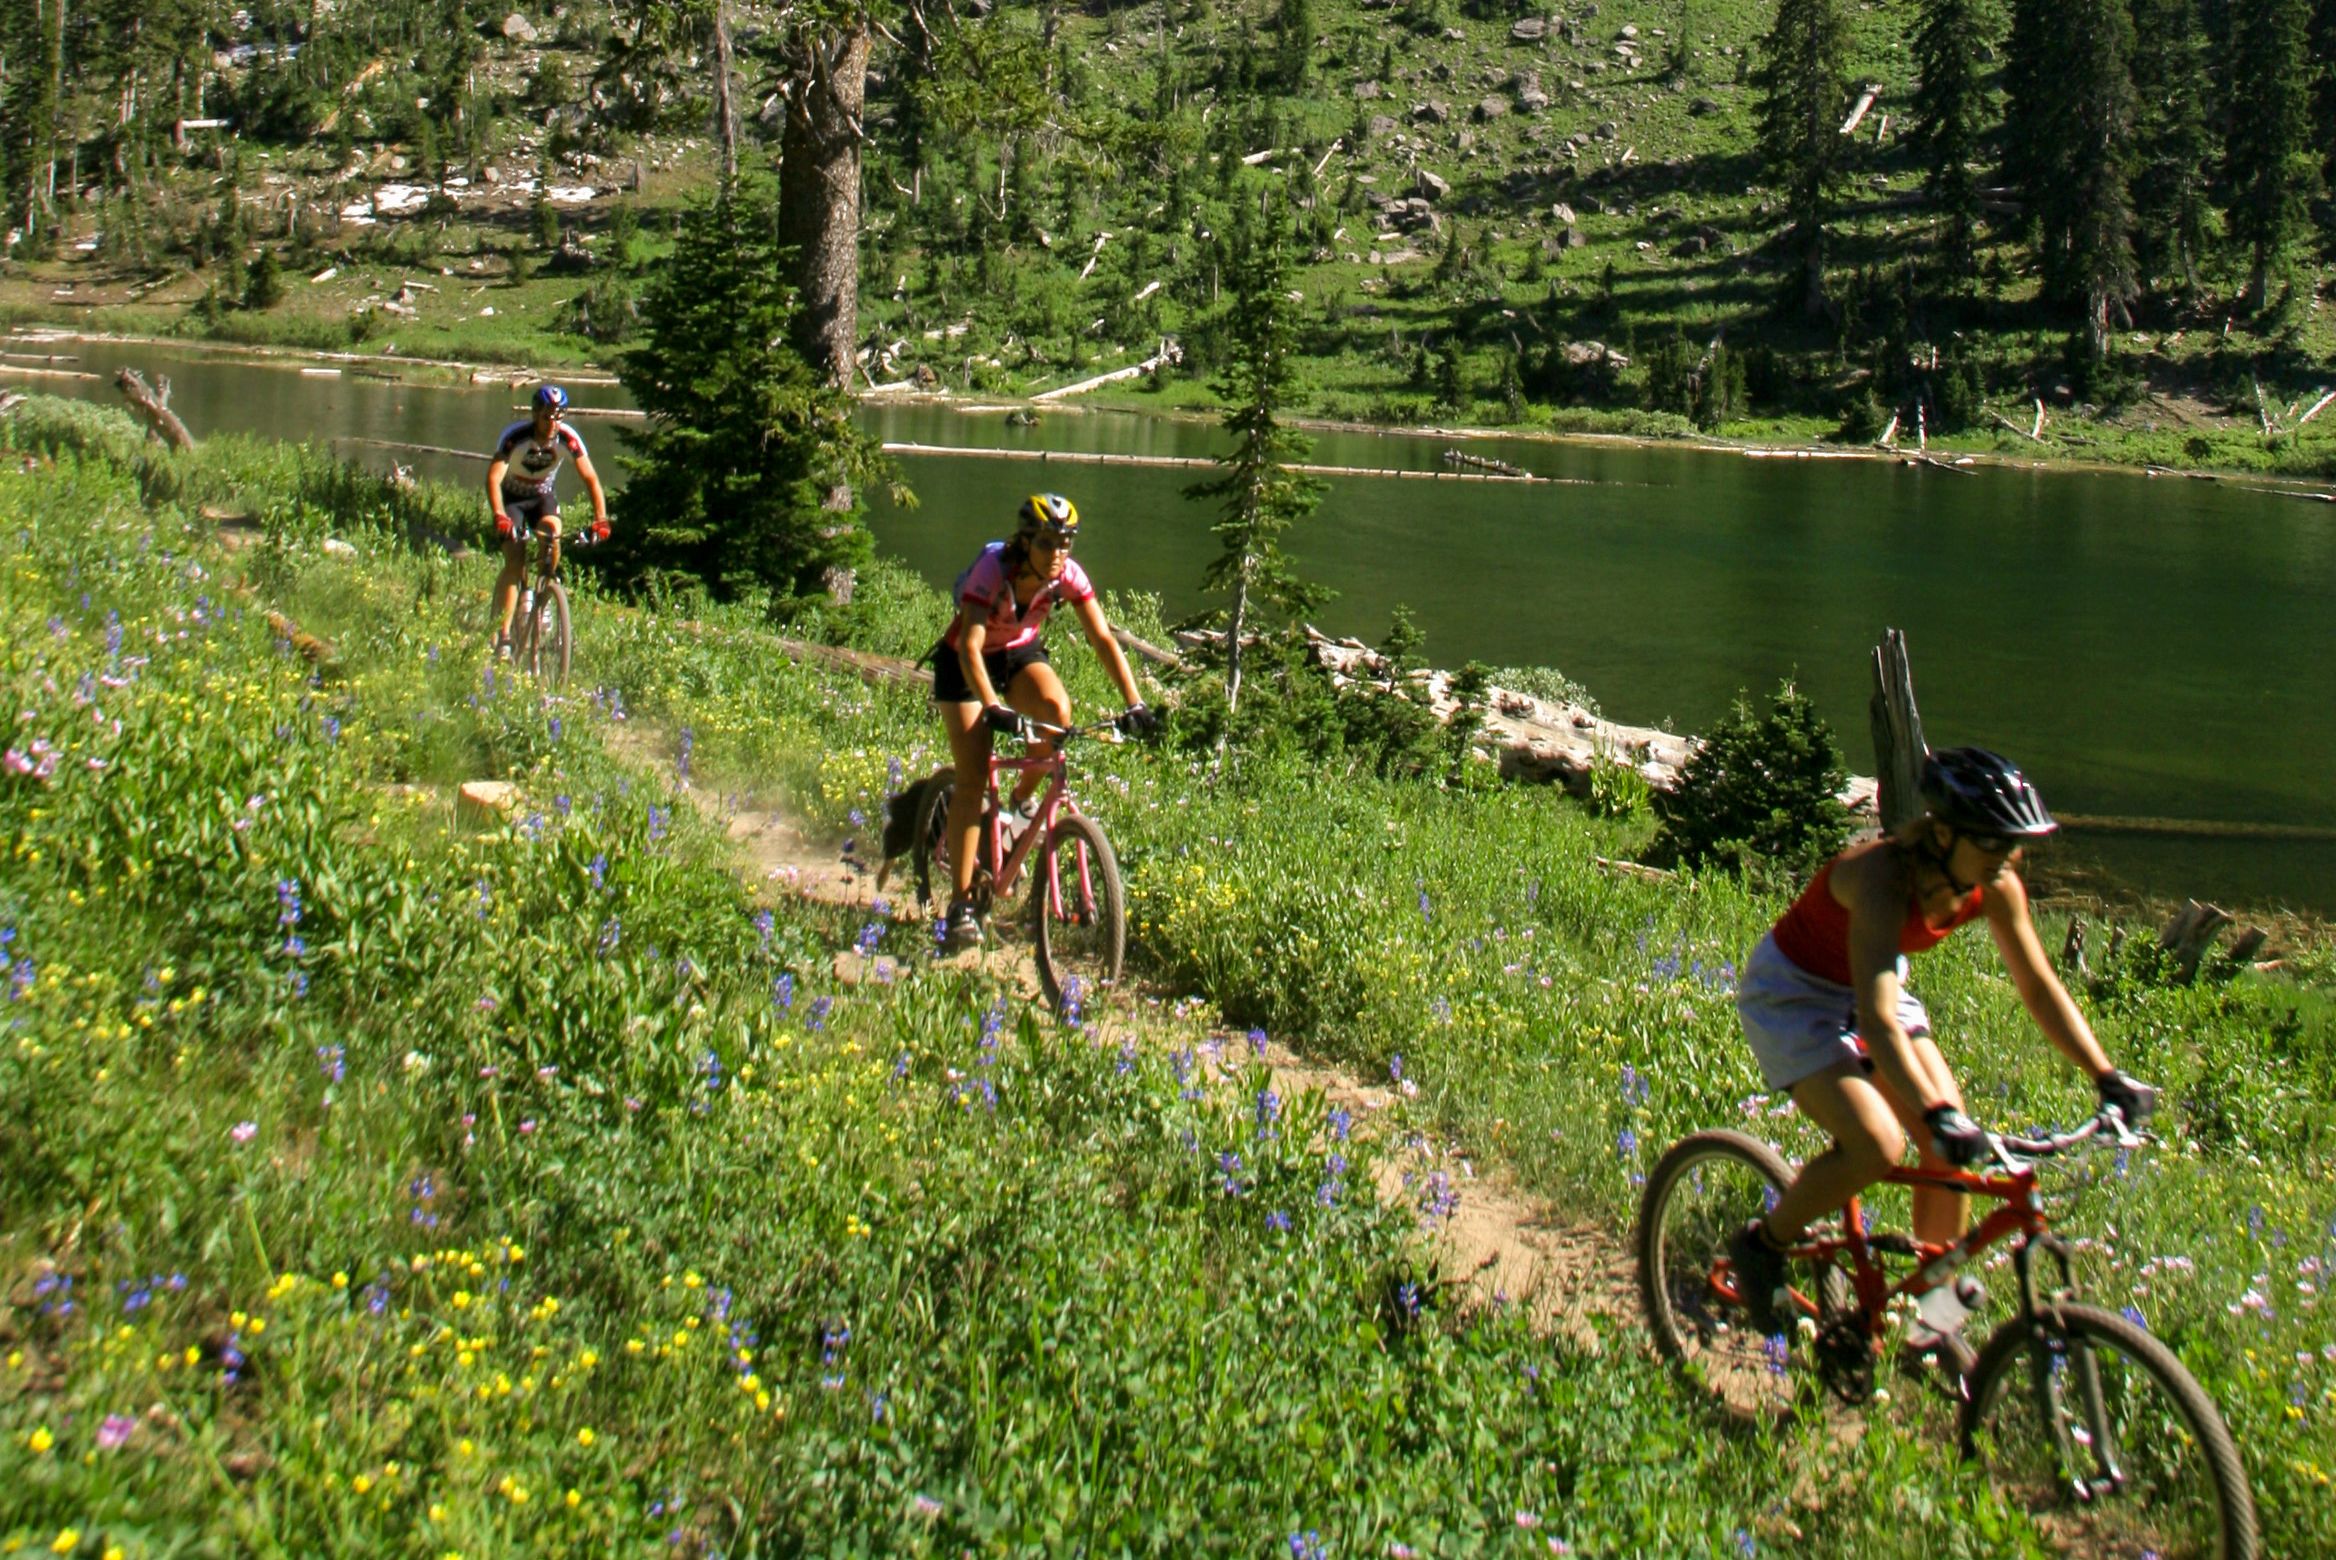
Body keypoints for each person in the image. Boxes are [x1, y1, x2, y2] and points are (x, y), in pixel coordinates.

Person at [1727, 747, 2157, 1342]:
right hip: (1797, 995)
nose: (2007, 858)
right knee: (1879, 1144)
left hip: (1873, 985)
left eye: (2012, 844)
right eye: (1993, 843)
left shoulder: (1994, 882)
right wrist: (1939, 1114)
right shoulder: (1881, 878)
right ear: (1945, 833)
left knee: (1947, 1152)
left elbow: (2037, 985)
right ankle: (1762, 1246)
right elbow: (1878, 1023)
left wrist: (2107, 1076)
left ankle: (1926, 1320)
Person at [928, 493, 1157, 952]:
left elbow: (1102, 638)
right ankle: (959, 906)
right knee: (972, 778)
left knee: (1057, 714)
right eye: (1049, 542)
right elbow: (971, 646)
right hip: (964, 663)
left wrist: (1135, 703)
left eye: (1066, 543)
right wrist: (992, 706)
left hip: (1016, 653)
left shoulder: (1067, 576)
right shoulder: (994, 570)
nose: (1058, 553)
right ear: (1027, 540)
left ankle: (1016, 808)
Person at [485, 385, 609, 659]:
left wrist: (601, 519)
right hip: (513, 499)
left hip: (542, 497)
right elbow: (494, 478)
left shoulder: (567, 437)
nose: (553, 422)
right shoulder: (515, 436)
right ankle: (504, 635)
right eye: (548, 416)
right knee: (515, 561)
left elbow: (590, 478)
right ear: (535, 414)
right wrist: (499, 516)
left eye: (559, 416)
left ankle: (545, 594)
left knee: (551, 537)